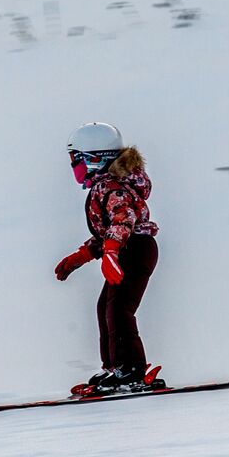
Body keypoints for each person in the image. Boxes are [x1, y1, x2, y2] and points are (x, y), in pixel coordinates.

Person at [54, 122, 161, 392]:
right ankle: (115, 368)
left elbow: (123, 219)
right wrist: (83, 255)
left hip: (134, 249)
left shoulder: (113, 188)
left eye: (76, 160)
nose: (74, 169)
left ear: (94, 158)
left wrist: (112, 251)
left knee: (119, 310)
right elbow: (108, 231)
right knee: (106, 308)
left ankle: (131, 370)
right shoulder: (105, 186)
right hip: (126, 249)